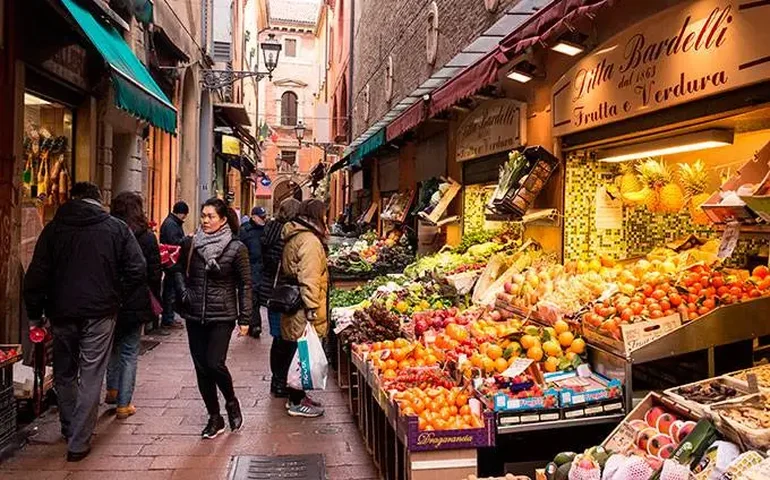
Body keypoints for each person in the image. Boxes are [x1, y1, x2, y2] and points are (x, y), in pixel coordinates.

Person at [24, 182, 146, 461]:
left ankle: (69, 424)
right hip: (101, 311)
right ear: (98, 199)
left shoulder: (54, 229)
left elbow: (35, 276)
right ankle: (78, 441)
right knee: (92, 372)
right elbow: (137, 269)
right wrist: (118, 296)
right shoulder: (116, 229)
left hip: (61, 311)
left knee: (65, 370)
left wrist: (35, 315)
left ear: (73, 199)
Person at [173, 198, 252, 439]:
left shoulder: (236, 248)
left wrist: (245, 318)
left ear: (223, 219)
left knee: (214, 363)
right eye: (203, 216)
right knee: (201, 368)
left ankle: (231, 401)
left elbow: (246, 284)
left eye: (211, 217)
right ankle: (214, 417)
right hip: (194, 313)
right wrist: (184, 294)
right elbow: (177, 270)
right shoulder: (190, 243)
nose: (205, 221)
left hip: (223, 314)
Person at [105, 192, 162, 419]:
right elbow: (155, 271)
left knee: (112, 347)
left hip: (110, 299)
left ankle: (112, 389)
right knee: (129, 352)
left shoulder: (108, 233)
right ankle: (123, 404)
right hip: (136, 300)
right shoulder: (146, 237)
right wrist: (154, 298)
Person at [280, 198, 329, 418]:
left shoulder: (297, 235)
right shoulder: (309, 241)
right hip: (302, 307)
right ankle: (296, 401)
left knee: (297, 352)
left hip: (295, 305)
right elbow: (309, 277)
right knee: (301, 354)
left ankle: (298, 396)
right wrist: (313, 308)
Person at [259, 198, 301, 397]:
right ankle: (280, 381)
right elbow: (286, 265)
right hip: (283, 293)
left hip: (270, 292)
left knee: (277, 338)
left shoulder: (269, 229)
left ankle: (276, 380)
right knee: (284, 340)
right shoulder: (287, 234)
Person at [159, 201, 189, 329]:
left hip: (172, 261)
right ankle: (168, 318)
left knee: (172, 290)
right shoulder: (171, 224)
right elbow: (174, 243)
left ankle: (170, 316)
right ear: (181, 213)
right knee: (171, 290)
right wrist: (186, 240)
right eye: (185, 214)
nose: (185, 218)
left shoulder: (172, 223)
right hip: (172, 262)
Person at [239, 206, 267, 338]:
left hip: (263, 268)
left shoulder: (266, 230)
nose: (263, 220)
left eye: (264, 217)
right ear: (253, 216)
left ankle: (253, 324)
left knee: (258, 297)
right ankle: (255, 325)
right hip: (250, 267)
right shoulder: (245, 230)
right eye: (261, 217)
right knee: (252, 297)